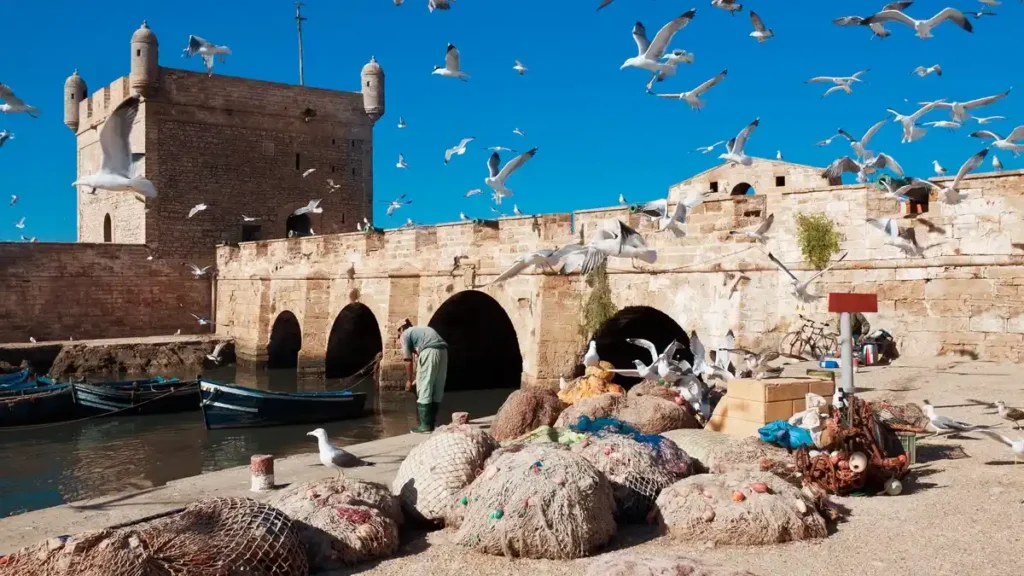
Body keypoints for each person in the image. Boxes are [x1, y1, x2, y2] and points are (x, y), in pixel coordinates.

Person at [398, 319, 449, 433]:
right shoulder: (422, 331)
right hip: (443, 352)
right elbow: (419, 353)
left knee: (424, 387)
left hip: (430, 352)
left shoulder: (405, 335)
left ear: (401, 329)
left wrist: (409, 380)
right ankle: (431, 424)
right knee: (437, 386)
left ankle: (425, 426)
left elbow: (408, 360)